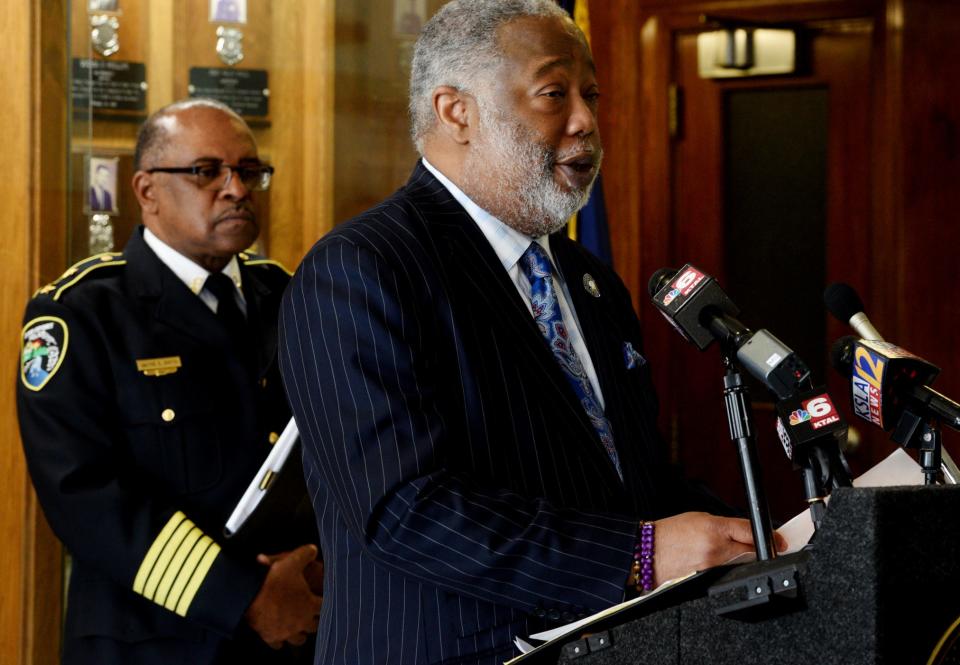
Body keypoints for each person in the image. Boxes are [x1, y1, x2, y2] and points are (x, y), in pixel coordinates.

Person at [279, 2, 783, 664]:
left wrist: (760, 537)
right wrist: (639, 553)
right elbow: (407, 510)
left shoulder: (588, 279)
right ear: (456, 111)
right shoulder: (362, 268)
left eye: (591, 95)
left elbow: (632, 481)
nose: (586, 122)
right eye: (555, 93)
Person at [18, 99, 321, 665]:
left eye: (249, 171)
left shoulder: (284, 295)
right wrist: (243, 597)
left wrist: (316, 564)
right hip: (153, 639)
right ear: (146, 190)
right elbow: (85, 497)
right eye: (207, 172)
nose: (236, 189)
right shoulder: (82, 313)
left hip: (294, 628)